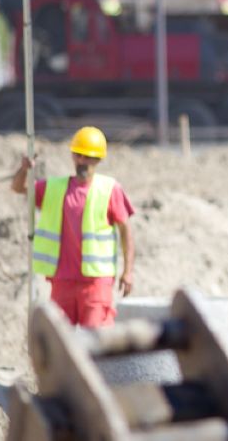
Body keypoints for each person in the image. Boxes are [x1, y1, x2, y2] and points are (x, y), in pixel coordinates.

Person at [11, 126, 135, 328]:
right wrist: (24, 169)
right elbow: (18, 188)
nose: (82, 161)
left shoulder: (110, 190)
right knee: (61, 346)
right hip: (62, 282)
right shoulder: (54, 188)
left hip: (96, 283)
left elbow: (126, 231)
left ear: (98, 159)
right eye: (78, 155)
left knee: (95, 346)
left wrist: (128, 272)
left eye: (88, 157)